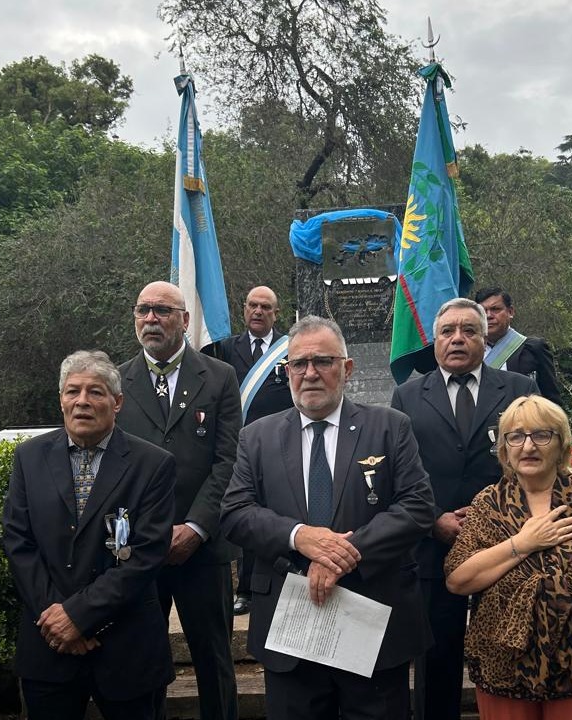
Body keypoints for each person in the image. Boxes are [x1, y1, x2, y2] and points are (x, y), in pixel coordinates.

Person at [221, 315, 435, 720]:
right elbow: (234, 512)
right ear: (287, 373)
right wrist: (300, 537)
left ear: (347, 368)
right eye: (298, 364)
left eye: (323, 361)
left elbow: (417, 507)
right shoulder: (257, 436)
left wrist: (343, 552)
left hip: (373, 618)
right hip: (291, 626)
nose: (310, 373)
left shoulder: (390, 427)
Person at [2, 350, 176, 720]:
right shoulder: (28, 458)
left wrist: (79, 616)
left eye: (95, 392)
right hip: (48, 643)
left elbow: (146, 555)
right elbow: (19, 543)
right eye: (72, 391)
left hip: (127, 648)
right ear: (61, 399)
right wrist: (58, 620)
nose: (82, 401)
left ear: (117, 403)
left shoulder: (153, 465)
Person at [390, 297, 539, 720]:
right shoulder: (406, 397)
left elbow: (538, 464)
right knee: (437, 660)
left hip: (509, 546)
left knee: (509, 652)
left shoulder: (518, 391)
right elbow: (400, 472)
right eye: (448, 331)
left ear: (484, 336)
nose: (458, 338)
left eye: (469, 330)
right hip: (433, 548)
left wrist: (495, 517)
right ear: (434, 340)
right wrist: (433, 518)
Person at [445, 394, 572, 720]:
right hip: (502, 665)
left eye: (541, 435)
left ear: (561, 444)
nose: (528, 446)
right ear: (504, 448)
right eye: (516, 436)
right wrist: (523, 543)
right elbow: (458, 579)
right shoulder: (488, 505)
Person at [117, 281, 241, 720]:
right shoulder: (117, 382)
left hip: (203, 550)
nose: (151, 318)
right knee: (144, 663)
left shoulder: (220, 377)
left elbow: (228, 460)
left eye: (162, 311)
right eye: (143, 310)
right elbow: (115, 469)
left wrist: (196, 526)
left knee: (214, 662)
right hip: (138, 550)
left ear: (185, 320)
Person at [203, 285, 295, 616]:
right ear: (243, 310)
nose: (257, 311)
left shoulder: (290, 349)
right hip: (238, 447)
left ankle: (280, 582)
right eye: (252, 305)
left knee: (278, 515)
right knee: (245, 516)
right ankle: (246, 589)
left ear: (276, 313)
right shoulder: (225, 349)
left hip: (280, 445)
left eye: (265, 307)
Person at [476, 287, 562, 407]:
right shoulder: (469, 351)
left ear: (510, 312)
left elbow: (551, 398)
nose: (488, 316)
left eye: (495, 309)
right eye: (483, 311)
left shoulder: (533, 348)